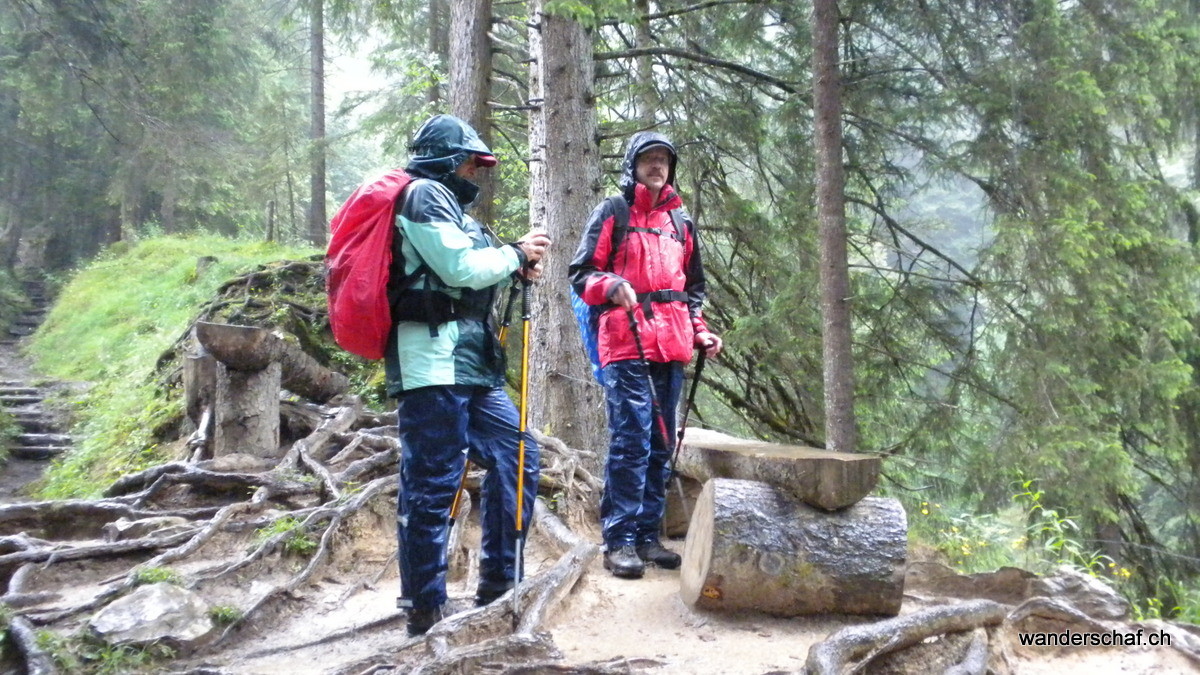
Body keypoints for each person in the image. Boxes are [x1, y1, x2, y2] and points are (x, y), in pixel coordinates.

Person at [386, 114, 550, 635]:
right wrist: (515, 254)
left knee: (518, 453)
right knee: (432, 484)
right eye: (469, 163)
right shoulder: (424, 196)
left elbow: (482, 265)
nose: (474, 175)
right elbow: (459, 269)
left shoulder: (455, 209)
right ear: (446, 160)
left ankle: (500, 586)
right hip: (430, 362)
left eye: (478, 166)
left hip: (472, 364)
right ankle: (424, 608)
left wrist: (514, 262)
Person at [568, 132, 722, 579]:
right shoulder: (613, 211)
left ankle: (649, 537)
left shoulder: (681, 223)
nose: (656, 166)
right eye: (648, 159)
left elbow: (691, 291)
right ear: (633, 164)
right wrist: (610, 286)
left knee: (660, 441)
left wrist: (701, 334)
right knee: (631, 440)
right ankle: (619, 540)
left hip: (671, 345)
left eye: (663, 160)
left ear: (671, 168)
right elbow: (582, 273)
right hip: (624, 340)